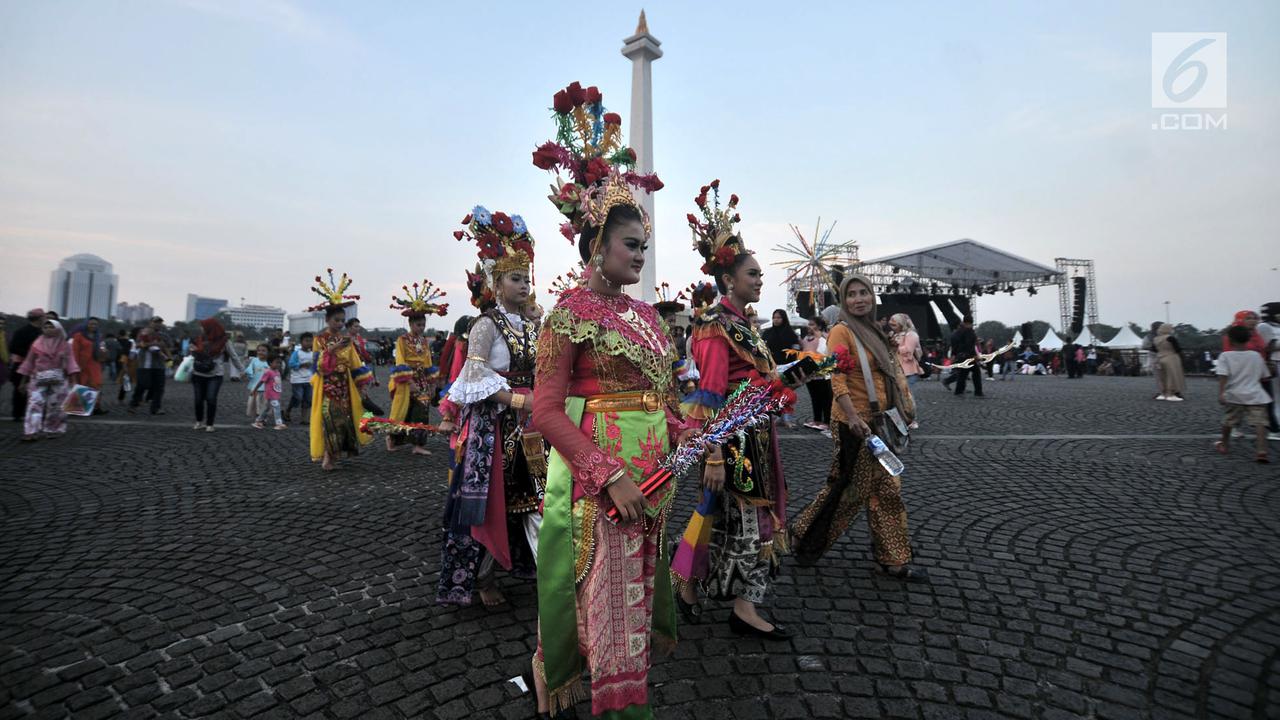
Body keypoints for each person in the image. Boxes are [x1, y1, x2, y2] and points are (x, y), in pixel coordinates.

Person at [528, 83, 678, 719]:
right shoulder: (567, 315)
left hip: (656, 480)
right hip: (606, 487)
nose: (640, 258)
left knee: (634, 605)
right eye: (631, 246)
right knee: (610, 610)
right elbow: (545, 411)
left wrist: (690, 434)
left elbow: (662, 396)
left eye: (644, 247)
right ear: (596, 245)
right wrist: (607, 474)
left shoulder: (647, 316)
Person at [670, 179, 799, 645]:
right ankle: (744, 606)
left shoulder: (743, 325)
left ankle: (685, 583)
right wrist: (714, 456)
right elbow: (709, 395)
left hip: (755, 435)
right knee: (749, 520)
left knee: (721, 515)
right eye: (753, 275)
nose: (760, 281)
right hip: (735, 441)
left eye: (761, 275)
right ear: (729, 280)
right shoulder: (715, 328)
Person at [437, 207, 546, 610]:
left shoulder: (532, 326)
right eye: (515, 279)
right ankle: (482, 577)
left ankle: (546, 570)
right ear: (496, 284)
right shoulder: (485, 325)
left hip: (532, 425)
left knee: (538, 498)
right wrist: (519, 398)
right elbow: (473, 378)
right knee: (491, 505)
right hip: (495, 427)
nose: (523, 285)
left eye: (526, 279)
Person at [790, 274, 928, 580]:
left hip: (881, 422)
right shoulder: (842, 331)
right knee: (849, 489)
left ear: (872, 296)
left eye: (863, 292)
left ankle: (892, 558)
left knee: (886, 488)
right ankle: (804, 536)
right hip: (855, 424)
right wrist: (853, 418)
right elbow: (837, 379)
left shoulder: (874, 330)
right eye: (851, 294)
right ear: (843, 300)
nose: (858, 299)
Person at [307, 271, 374, 470]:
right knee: (328, 418)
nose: (339, 324)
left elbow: (355, 364)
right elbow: (319, 367)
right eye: (336, 320)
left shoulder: (346, 341)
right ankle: (327, 456)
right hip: (327, 385)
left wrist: (362, 386)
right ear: (327, 320)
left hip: (345, 386)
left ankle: (334, 455)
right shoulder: (320, 340)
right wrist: (332, 350)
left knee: (344, 420)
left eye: (342, 321)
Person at [387, 279, 448, 455]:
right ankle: (392, 439)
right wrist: (408, 381)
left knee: (422, 407)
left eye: (423, 325)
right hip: (406, 379)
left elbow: (428, 362)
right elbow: (400, 361)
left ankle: (418, 444)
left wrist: (431, 383)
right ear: (410, 324)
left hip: (421, 378)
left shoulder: (424, 341)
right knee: (403, 410)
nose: (421, 328)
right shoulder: (402, 340)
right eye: (418, 325)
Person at [1214, 325, 1271, 463]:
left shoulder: (1225, 356)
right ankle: (1261, 450)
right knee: (1260, 423)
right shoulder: (1256, 356)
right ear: (1248, 339)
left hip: (1234, 394)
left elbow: (1223, 375)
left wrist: (1221, 393)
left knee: (1229, 421)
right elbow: (1265, 375)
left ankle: (1224, 443)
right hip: (1256, 394)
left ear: (1230, 340)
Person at [16, 319, 80, 440]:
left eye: (51, 327)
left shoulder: (65, 345)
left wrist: (74, 380)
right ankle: (31, 431)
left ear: (58, 328)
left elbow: (71, 362)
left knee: (56, 405)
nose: (48, 329)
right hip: (38, 378)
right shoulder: (36, 344)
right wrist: (23, 381)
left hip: (59, 380)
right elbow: (29, 362)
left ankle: (52, 429)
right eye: (46, 327)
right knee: (34, 404)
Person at [1224, 309, 1279, 438]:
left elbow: (1265, 350)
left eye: (1254, 318)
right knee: (1238, 403)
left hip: (1261, 373)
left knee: (1268, 401)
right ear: (1240, 320)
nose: (1253, 321)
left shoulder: (1257, 334)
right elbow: (1228, 355)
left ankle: (1274, 429)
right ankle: (1234, 427)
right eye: (1248, 318)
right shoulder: (1230, 336)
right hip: (1243, 375)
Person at [190, 318, 244, 432]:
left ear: (211, 327)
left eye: (203, 326)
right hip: (198, 373)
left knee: (211, 399)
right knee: (198, 399)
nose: (201, 328)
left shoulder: (224, 341)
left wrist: (242, 370)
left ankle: (210, 424)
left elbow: (234, 356)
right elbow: (191, 354)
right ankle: (199, 421)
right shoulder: (198, 339)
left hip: (215, 374)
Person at [761, 308, 801, 427]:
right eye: (774, 317)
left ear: (783, 319)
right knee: (774, 392)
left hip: (788, 366)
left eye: (778, 317)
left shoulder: (791, 334)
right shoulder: (768, 333)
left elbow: (796, 351)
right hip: (772, 367)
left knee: (787, 393)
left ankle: (786, 418)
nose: (776, 320)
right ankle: (777, 416)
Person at [9, 309, 47, 422]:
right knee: (20, 390)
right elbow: (13, 348)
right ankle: (18, 414)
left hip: (39, 366)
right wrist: (31, 355)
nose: (45, 319)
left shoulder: (43, 332)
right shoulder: (22, 332)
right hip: (21, 365)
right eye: (44, 317)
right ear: (39, 318)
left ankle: (33, 413)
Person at [129, 317, 171, 415]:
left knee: (159, 388)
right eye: (156, 322)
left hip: (159, 365)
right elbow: (138, 345)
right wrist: (151, 344)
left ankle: (156, 408)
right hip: (144, 365)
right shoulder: (143, 333)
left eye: (160, 322)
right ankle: (134, 404)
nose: (158, 324)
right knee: (143, 384)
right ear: (150, 323)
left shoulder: (164, 335)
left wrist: (162, 345)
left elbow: (170, 345)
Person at [888, 313, 922, 429]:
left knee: (908, 396)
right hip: (895, 370)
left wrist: (894, 346)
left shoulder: (911, 334)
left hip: (908, 370)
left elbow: (908, 350)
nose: (892, 326)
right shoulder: (893, 334)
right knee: (896, 397)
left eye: (895, 324)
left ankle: (912, 419)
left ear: (901, 324)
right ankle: (900, 419)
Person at [69, 318, 107, 415]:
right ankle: (80, 408)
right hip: (82, 364)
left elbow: (102, 349)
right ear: (86, 324)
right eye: (91, 324)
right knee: (83, 385)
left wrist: (103, 353)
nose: (93, 326)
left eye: (95, 324)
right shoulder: (78, 336)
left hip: (95, 364)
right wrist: (76, 366)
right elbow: (75, 351)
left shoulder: (99, 337)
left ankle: (96, 407)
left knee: (96, 384)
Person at [801, 316, 832, 431]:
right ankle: (817, 420)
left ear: (819, 326)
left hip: (823, 375)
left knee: (826, 399)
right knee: (815, 398)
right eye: (809, 324)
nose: (809, 327)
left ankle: (827, 421)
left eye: (812, 324)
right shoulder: (806, 339)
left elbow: (826, 355)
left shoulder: (824, 339)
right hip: (811, 374)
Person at [944, 315, 983, 396]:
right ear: (970, 322)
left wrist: (954, 354)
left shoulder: (958, 332)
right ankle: (978, 392)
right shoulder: (969, 331)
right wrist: (975, 355)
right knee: (975, 373)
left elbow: (954, 343)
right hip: (969, 356)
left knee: (963, 374)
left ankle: (959, 391)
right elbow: (970, 345)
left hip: (960, 355)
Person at [1259, 303, 1280, 439]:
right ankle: (1276, 423)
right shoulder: (1264, 327)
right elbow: (1265, 347)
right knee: (1276, 397)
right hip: (1275, 362)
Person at [285, 333, 315, 424]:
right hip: (297, 379)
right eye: (306, 341)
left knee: (308, 399)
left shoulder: (312, 354)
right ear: (301, 342)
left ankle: (304, 419)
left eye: (310, 341)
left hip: (309, 380)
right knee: (298, 397)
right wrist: (301, 365)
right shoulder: (297, 353)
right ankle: (288, 410)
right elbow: (291, 364)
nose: (308, 343)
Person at [252, 355, 286, 430]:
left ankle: (258, 421)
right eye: (277, 363)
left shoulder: (277, 372)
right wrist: (255, 389)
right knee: (277, 407)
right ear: (270, 363)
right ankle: (279, 423)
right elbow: (261, 381)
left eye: (280, 363)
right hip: (270, 394)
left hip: (276, 394)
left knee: (266, 409)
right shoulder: (268, 372)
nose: (279, 364)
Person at [1154, 323, 1186, 401]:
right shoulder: (1170, 338)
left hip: (1159, 358)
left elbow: (1153, 349)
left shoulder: (1156, 339)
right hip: (1171, 357)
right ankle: (1170, 394)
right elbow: (1178, 349)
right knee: (1172, 377)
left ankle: (1162, 393)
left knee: (1162, 377)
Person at [243, 344, 270, 419]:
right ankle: (258, 418)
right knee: (254, 404)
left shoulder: (269, 363)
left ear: (268, 352)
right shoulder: (254, 360)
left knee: (264, 404)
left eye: (263, 351)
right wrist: (245, 374)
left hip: (266, 388)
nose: (260, 352)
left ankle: (263, 418)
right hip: (255, 386)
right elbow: (249, 369)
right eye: (259, 350)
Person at [1143, 322, 1165, 399]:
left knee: (1159, 376)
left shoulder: (1149, 336)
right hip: (1165, 356)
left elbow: (1144, 346)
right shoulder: (1167, 336)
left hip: (1155, 356)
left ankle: (1162, 392)